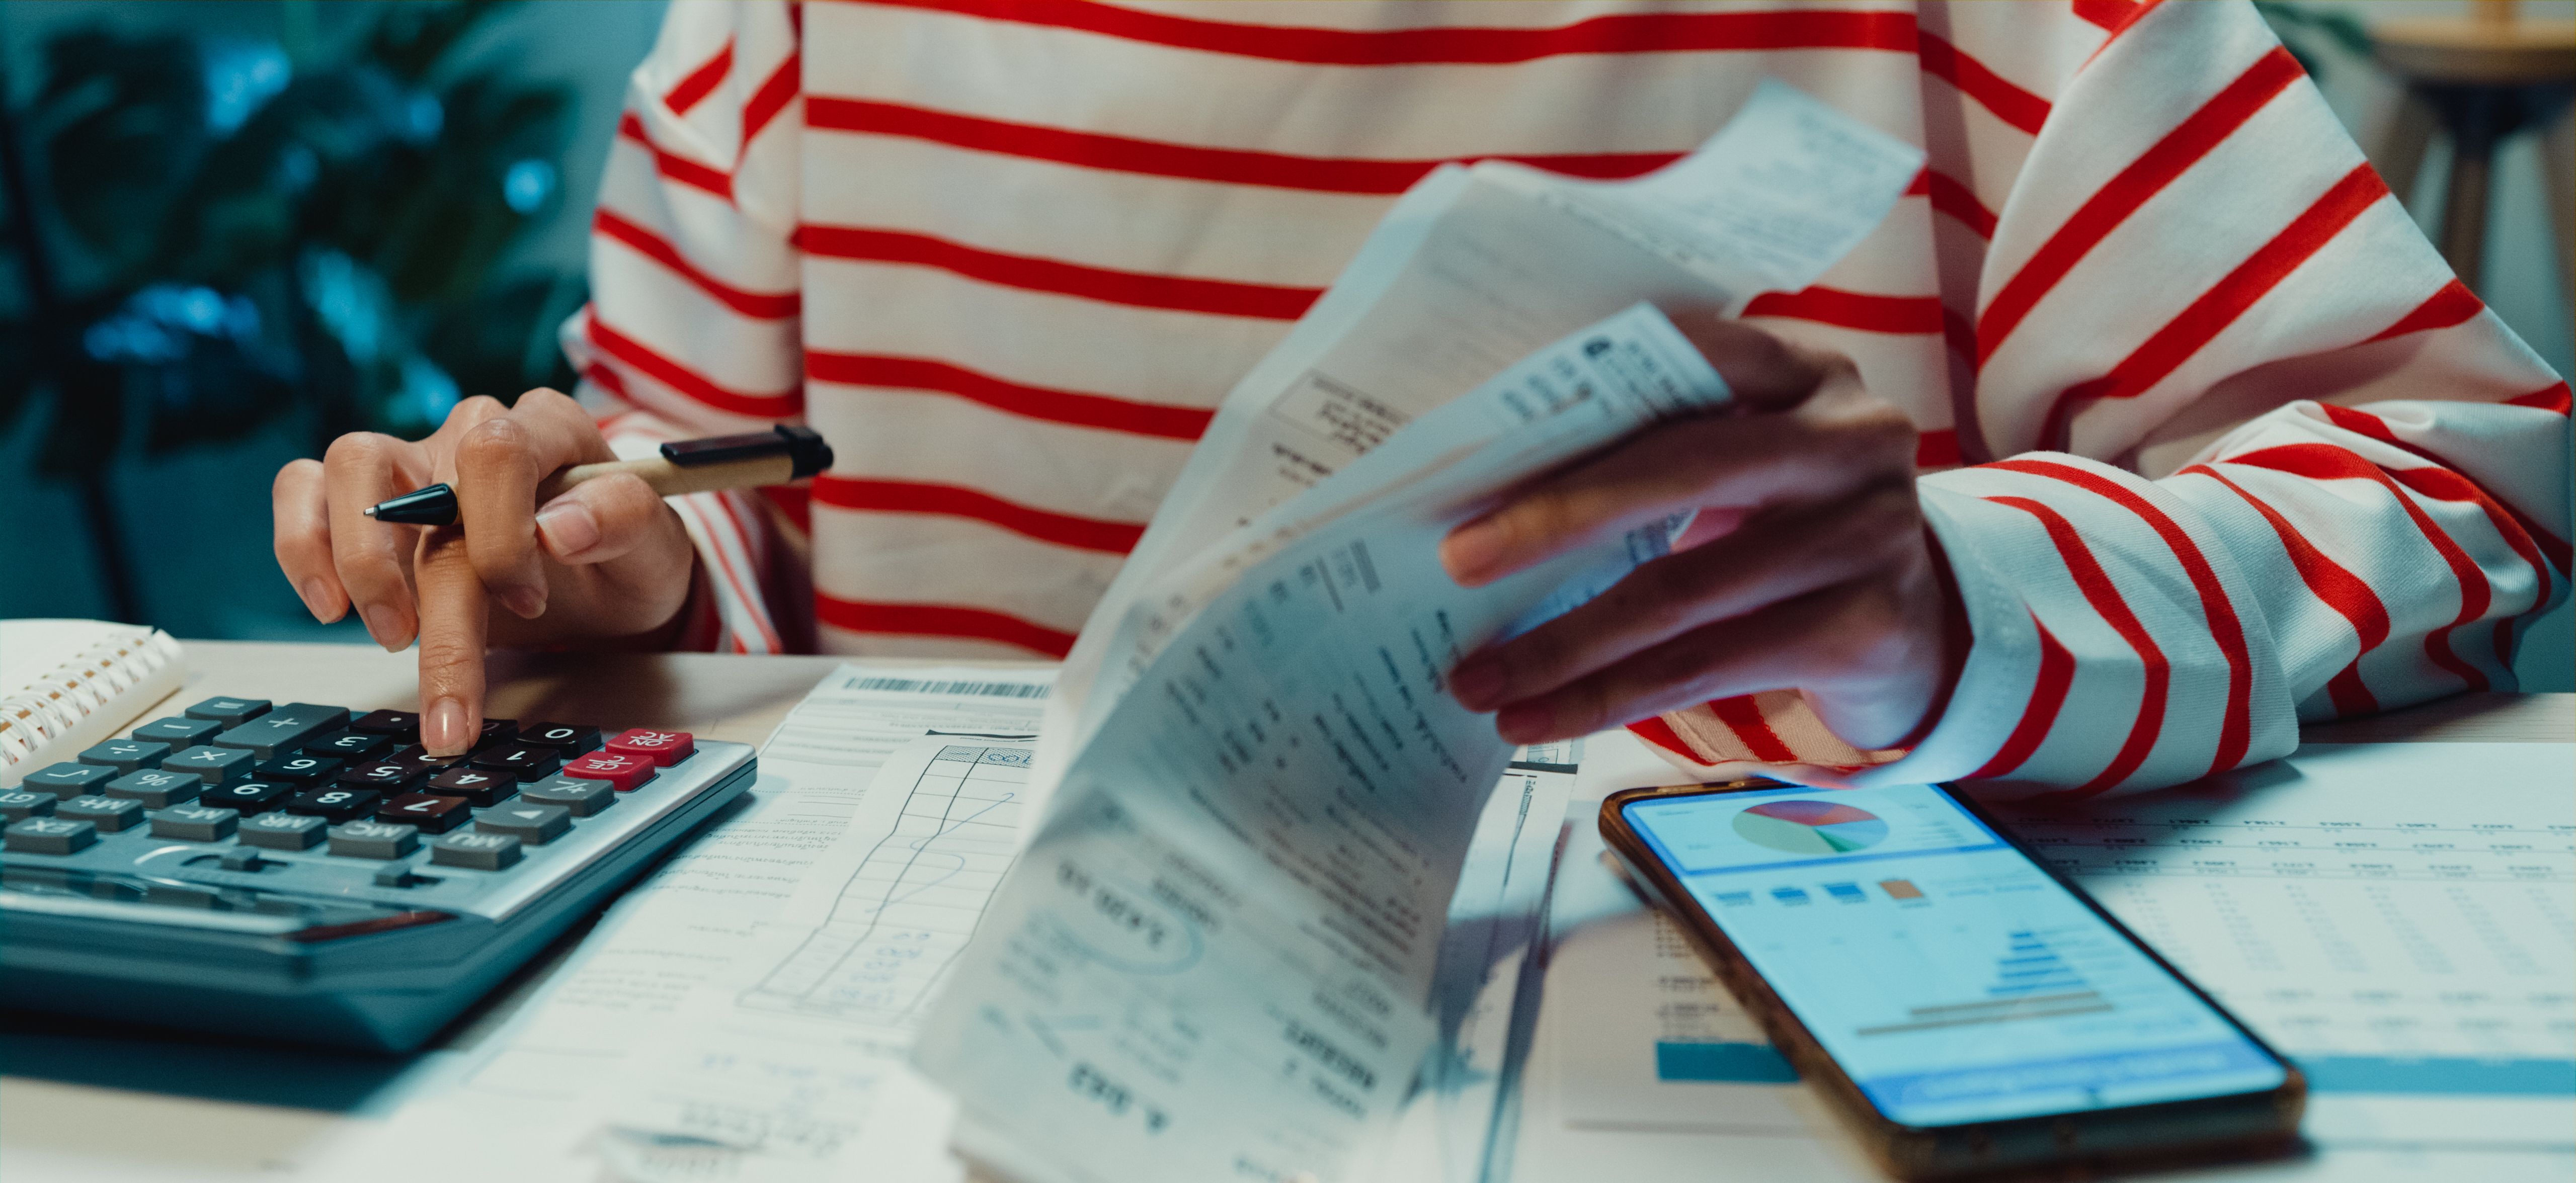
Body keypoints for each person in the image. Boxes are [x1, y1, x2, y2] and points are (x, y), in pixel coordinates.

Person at [273, 0, 2570, 794]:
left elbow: (2467, 491)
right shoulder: (790, 30)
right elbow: (728, 512)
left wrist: (1961, 601)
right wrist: (615, 575)